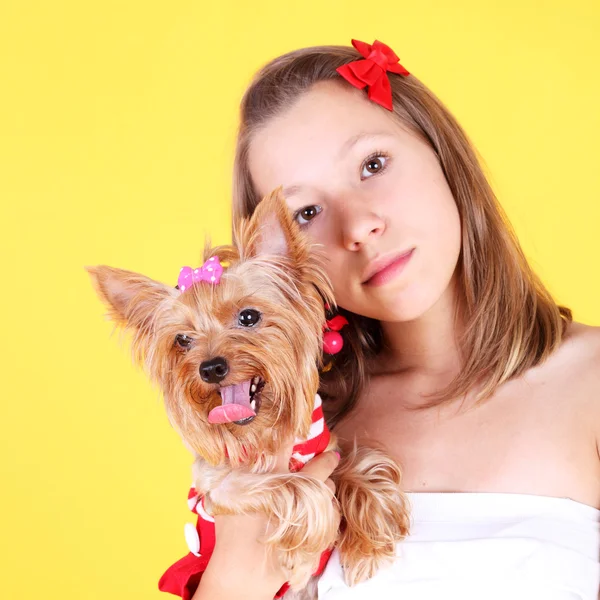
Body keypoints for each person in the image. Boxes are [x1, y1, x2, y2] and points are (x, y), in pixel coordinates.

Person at [189, 40, 600, 599]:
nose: (356, 226)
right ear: (278, 257)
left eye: (373, 165)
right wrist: (235, 575)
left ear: (440, 151)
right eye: (307, 212)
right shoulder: (291, 430)